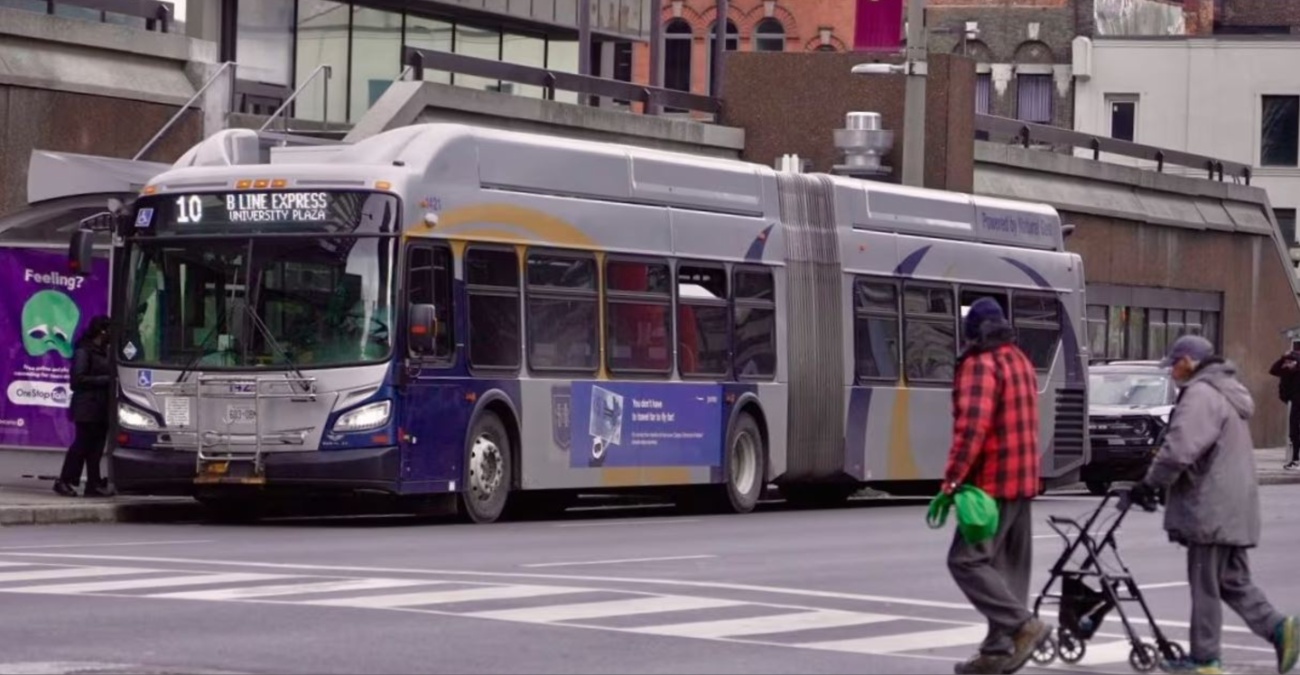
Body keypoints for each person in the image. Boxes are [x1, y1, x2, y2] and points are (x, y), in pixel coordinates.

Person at [1131, 335, 1300, 675]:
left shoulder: (1201, 394)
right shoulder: (1225, 392)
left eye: (1175, 364)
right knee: (1231, 581)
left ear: (1190, 362)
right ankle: (1280, 630)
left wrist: (1150, 483)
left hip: (1210, 508)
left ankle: (1205, 660)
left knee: (1204, 583)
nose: (1172, 372)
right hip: (1232, 505)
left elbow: (1180, 448)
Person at [942, 297, 1052, 675]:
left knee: (965, 561)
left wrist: (953, 479)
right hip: (1024, 478)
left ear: (972, 332)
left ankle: (1023, 626)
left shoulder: (980, 364)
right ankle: (998, 650)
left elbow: (972, 427)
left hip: (991, 480)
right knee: (1010, 567)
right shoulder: (1019, 360)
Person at [53, 315, 113, 498]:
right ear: (102, 331)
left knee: (96, 448)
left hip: (101, 407)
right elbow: (77, 380)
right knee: (81, 445)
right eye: (109, 330)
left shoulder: (105, 351)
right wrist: (106, 380)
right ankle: (65, 480)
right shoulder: (84, 351)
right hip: (86, 407)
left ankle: (93, 484)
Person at [1268, 346, 1300, 470]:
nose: (1287, 364)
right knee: (1294, 432)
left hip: (1297, 402)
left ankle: (1296, 459)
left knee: (1295, 430)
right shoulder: (1285, 371)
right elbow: (1273, 370)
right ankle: (1296, 459)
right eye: (1286, 362)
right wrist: (1282, 359)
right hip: (1293, 403)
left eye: (1289, 362)